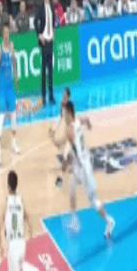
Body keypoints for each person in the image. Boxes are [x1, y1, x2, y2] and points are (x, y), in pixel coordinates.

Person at [49, 101, 116, 238]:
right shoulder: (78, 121)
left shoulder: (69, 130)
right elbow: (86, 120)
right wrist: (89, 126)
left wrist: (52, 138)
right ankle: (75, 221)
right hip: (80, 165)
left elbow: (60, 144)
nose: (63, 116)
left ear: (69, 113)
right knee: (72, 190)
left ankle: (109, 221)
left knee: (94, 201)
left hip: (83, 168)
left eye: (64, 113)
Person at [0, 24, 20, 166]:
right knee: (2, 118)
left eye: (8, 33)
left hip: (10, 87)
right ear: (2, 35)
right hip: (2, 89)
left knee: (14, 116)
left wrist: (16, 76)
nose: (6, 35)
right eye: (4, 33)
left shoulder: (12, 46)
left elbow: (14, 61)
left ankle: (14, 143)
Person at [35, 0, 56, 106]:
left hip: (50, 40)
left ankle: (51, 95)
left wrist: (53, 32)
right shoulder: (40, 8)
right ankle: (43, 96)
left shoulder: (52, 7)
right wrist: (39, 35)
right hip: (44, 41)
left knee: (50, 70)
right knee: (44, 69)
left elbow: (53, 21)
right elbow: (35, 22)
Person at [52, 88, 72, 188]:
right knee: (58, 146)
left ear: (68, 96)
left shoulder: (70, 106)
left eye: (65, 95)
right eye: (63, 95)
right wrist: (55, 129)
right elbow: (61, 118)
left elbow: (71, 120)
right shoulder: (62, 105)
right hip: (65, 133)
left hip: (70, 134)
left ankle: (60, 180)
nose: (63, 97)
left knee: (65, 155)